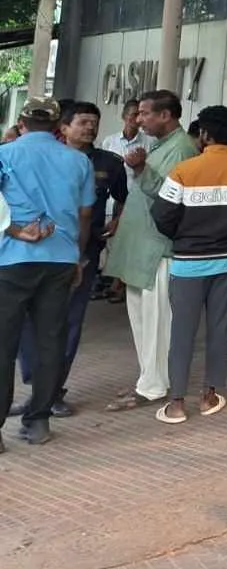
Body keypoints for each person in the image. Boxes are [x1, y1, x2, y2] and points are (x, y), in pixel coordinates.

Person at [151, 106, 227, 424]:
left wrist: (184, 237)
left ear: (204, 134)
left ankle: (176, 403)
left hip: (188, 263)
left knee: (183, 331)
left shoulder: (184, 171)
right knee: (220, 329)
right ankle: (208, 395)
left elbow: (162, 215)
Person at [13, 101, 128, 418]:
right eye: (82, 121)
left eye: (94, 122)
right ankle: (39, 386)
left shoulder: (108, 163)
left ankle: (52, 392)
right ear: (61, 127)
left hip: (78, 251)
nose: (89, 127)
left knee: (67, 322)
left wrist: (117, 221)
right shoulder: (51, 158)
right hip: (38, 251)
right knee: (24, 322)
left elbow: (120, 199)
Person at [0, 97, 96, 448]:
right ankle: (39, 421)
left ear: (22, 120)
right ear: (58, 125)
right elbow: (85, 214)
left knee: (3, 344)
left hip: (10, 260)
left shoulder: (4, 154)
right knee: (50, 339)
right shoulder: (78, 160)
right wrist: (77, 258)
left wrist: (13, 231)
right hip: (59, 259)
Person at [103, 89, 199, 413]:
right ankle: (148, 378)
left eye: (145, 114)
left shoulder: (182, 148)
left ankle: (154, 386)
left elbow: (170, 197)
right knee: (143, 320)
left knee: (157, 322)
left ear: (165, 116)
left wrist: (143, 170)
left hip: (158, 249)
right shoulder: (161, 146)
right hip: (142, 246)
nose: (139, 119)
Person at [99, 98, 149, 303]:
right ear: (124, 117)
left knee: (129, 241)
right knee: (111, 239)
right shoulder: (110, 141)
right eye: (132, 116)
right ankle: (113, 279)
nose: (135, 121)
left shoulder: (148, 142)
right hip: (113, 197)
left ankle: (120, 284)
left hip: (137, 198)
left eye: (139, 116)